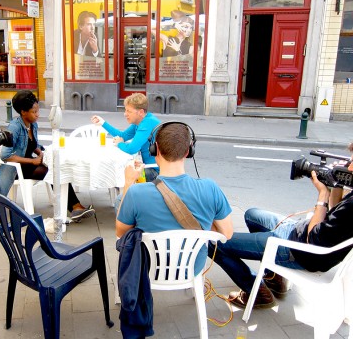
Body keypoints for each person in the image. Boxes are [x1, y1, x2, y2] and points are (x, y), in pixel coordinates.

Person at [208, 143, 353, 309]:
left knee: (215, 244)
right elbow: (335, 214)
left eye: (352, 160)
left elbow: (311, 239)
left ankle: (257, 293)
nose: (349, 163)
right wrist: (335, 184)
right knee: (252, 215)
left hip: (299, 250)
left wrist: (322, 194)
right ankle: (274, 278)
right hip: (297, 231)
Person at [116, 122, 234, 273]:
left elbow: (121, 232)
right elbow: (227, 233)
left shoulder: (136, 192)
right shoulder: (210, 188)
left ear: (155, 149)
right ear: (189, 151)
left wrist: (128, 182)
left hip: (149, 269)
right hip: (192, 269)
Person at [0, 90, 95, 222]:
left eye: (38, 111)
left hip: (29, 165)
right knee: (55, 170)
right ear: (23, 112)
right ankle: (75, 207)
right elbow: (5, 155)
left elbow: (34, 145)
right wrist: (32, 161)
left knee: (58, 167)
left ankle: (75, 207)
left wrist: (40, 152)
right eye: (34, 112)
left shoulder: (32, 124)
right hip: (16, 169)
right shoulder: (14, 128)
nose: (38, 115)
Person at [91, 92, 161, 182]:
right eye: (125, 110)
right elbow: (123, 136)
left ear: (141, 112)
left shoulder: (147, 124)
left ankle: (122, 195)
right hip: (147, 166)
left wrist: (120, 143)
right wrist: (103, 123)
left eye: (129, 111)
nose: (125, 114)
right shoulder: (141, 120)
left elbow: (132, 149)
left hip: (154, 171)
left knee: (118, 175)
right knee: (116, 173)